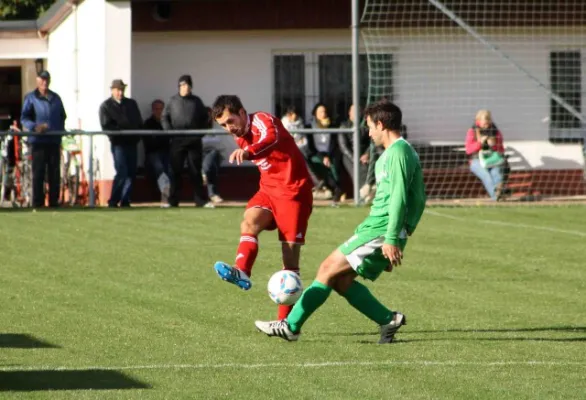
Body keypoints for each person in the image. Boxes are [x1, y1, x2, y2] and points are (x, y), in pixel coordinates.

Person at [254, 100, 427, 343]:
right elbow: (412, 198)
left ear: (381, 124)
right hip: (377, 229)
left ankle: (291, 326)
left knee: (326, 269)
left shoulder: (399, 152)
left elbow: (403, 198)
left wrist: (392, 238)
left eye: (369, 127)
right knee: (341, 281)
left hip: (381, 230)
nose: (368, 133)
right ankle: (387, 319)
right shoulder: (391, 154)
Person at [211, 95, 314, 320]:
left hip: (293, 192)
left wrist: (249, 152)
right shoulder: (240, 137)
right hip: (268, 190)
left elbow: (271, 137)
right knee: (249, 221)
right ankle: (242, 272)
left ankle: (284, 321)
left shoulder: (263, 120)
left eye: (230, 121)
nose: (229, 128)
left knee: (289, 260)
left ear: (242, 112)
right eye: (223, 125)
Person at [162, 74, 211, 207]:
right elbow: (165, 117)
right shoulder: (172, 101)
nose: (185, 88)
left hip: (194, 141)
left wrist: (200, 134)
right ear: (179, 87)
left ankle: (201, 200)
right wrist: (170, 132)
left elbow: (205, 119)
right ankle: (173, 201)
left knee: (195, 171)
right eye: (183, 85)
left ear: (191, 87)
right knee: (175, 171)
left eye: (188, 85)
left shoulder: (197, 101)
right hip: (177, 141)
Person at [20, 70, 67, 208]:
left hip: (53, 141)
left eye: (46, 79)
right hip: (38, 142)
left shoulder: (56, 98)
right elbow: (24, 118)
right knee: (38, 173)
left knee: (54, 173)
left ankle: (54, 202)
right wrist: (35, 127)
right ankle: (38, 203)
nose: (44, 82)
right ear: (37, 80)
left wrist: (59, 131)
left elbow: (62, 116)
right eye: (42, 79)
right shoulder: (31, 98)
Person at [99, 79, 143, 208]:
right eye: (118, 90)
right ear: (112, 90)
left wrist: (136, 135)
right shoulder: (106, 106)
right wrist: (118, 134)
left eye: (121, 90)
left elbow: (138, 121)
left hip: (131, 142)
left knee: (131, 172)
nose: (120, 92)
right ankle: (113, 200)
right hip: (118, 144)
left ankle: (125, 200)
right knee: (122, 171)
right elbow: (106, 125)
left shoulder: (131, 104)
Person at [465, 109, 506, 201]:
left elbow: (501, 149)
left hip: (492, 158)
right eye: (484, 121)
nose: (486, 123)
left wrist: (494, 145)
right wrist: (480, 143)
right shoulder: (472, 131)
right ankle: (497, 197)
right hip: (476, 160)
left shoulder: (495, 132)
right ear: (478, 121)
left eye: (488, 121)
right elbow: (468, 150)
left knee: (496, 173)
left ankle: (498, 191)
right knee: (486, 175)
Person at [142, 99, 171, 207]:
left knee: (170, 167)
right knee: (159, 167)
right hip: (153, 153)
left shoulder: (168, 122)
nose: (158, 111)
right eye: (156, 109)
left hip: (167, 152)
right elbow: (149, 143)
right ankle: (165, 192)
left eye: (160, 109)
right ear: (152, 110)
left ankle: (168, 195)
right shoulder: (148, 123)